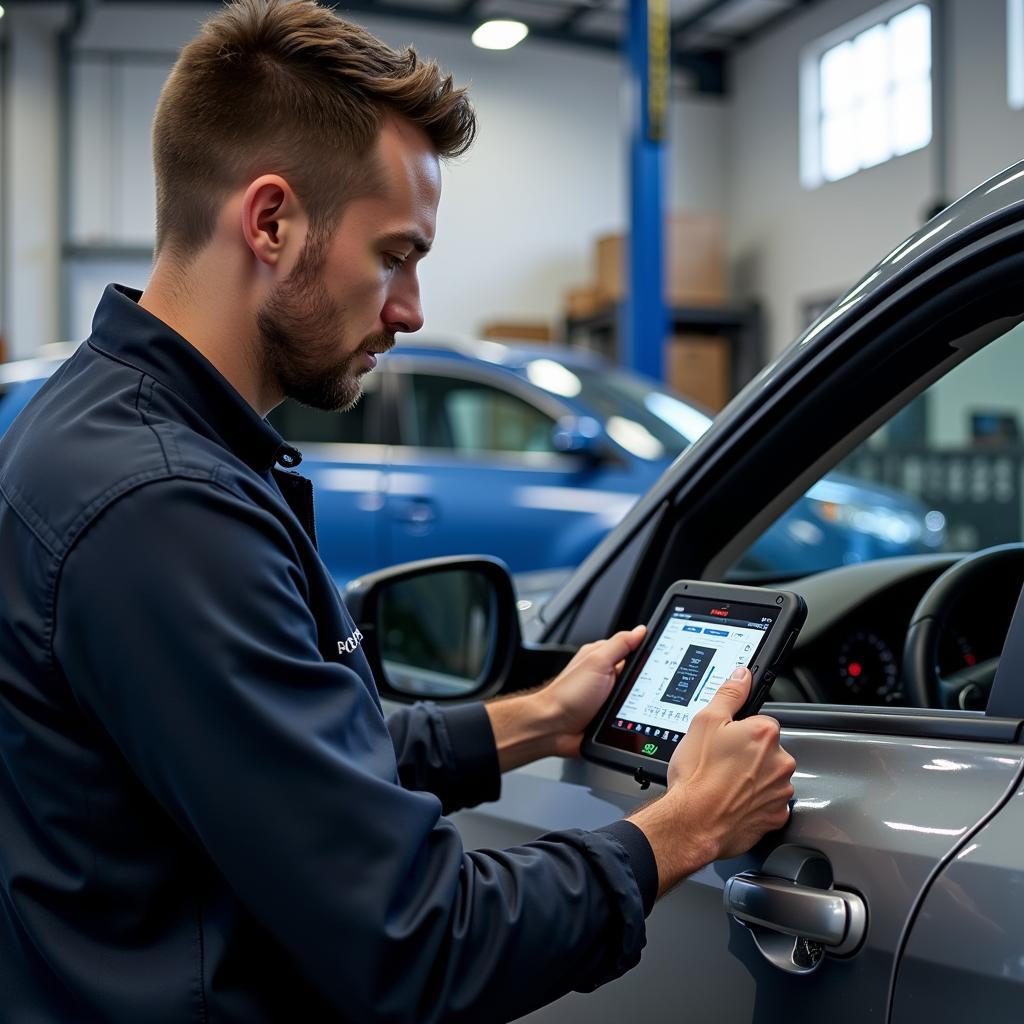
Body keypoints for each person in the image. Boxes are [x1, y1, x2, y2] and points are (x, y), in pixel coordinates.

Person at [0, 2, 796, 1021]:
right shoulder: (163, 509)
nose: (412, 307)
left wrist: (535, 720)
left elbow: (280, 760)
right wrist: (685, 826)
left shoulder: (98, 424)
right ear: (272, 221)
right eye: (395, 254)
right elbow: (420, 939)